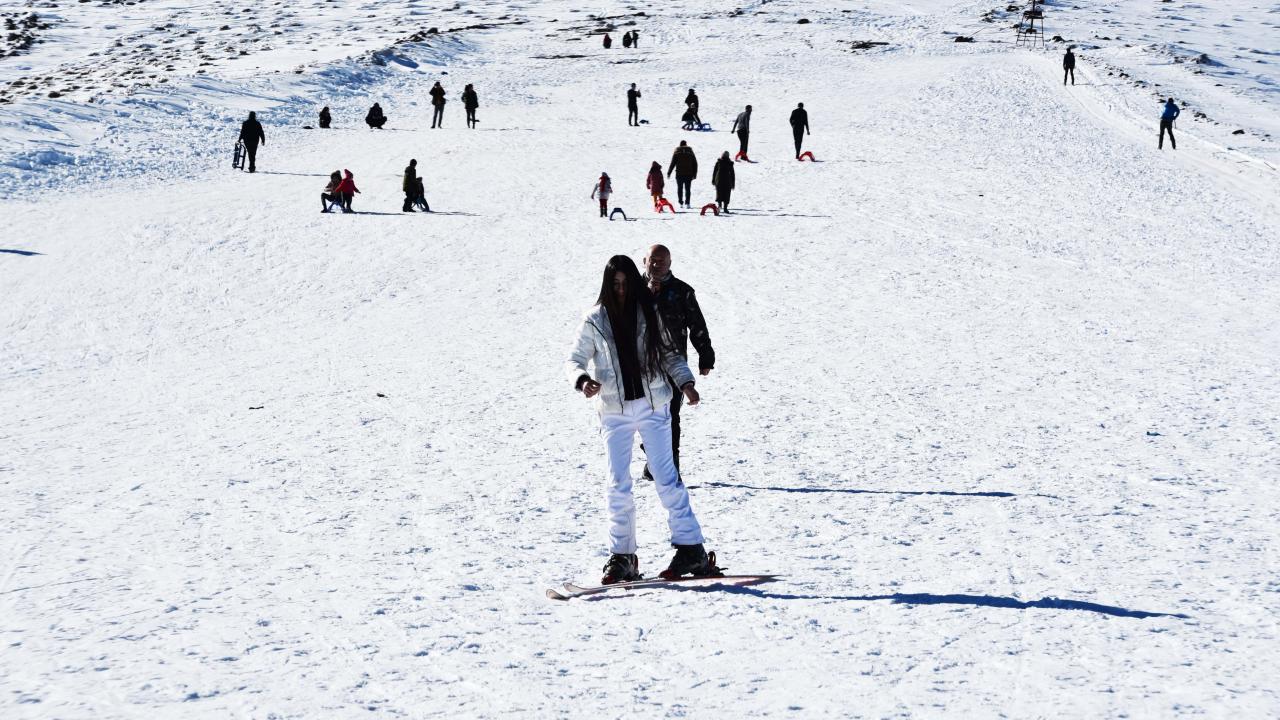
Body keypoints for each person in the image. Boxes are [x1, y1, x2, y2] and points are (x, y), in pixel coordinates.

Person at [565, 254, 718, 584]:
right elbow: (574, 359)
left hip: (654, 407)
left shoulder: (649, 312)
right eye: (615, 284)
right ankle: (623, 556)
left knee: (666, 478)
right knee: (617, 483)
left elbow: (670, 353)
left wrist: (686, 383)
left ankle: (691, 548)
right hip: (614, 412)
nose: (621, 290)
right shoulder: (594, 320)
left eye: (626, 284)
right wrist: (582, 380)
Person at [640, 245, 715, 482]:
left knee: (670, 416)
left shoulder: (682, 291)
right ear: (644, 261)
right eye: (653, 260)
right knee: (642, 417)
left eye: (662, 261)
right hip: (638, 368)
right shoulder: (631, 289)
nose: (657, 264)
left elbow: (697, 325)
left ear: (670, 263)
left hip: (673, 366)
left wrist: (705, 355)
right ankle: (653, 458)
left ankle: (671, 470)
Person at [666, 140, 698, 208]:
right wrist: (694, 174)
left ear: (680, 145)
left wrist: (669, 173)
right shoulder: (690, 151)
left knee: (680, 188)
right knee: (688, 189)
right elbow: (695, 163)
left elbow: (672, 163)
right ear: (686, 144)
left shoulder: (677, 151)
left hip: (679, 174)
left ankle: (680, 203)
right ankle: (687, 203)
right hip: (689, 174)